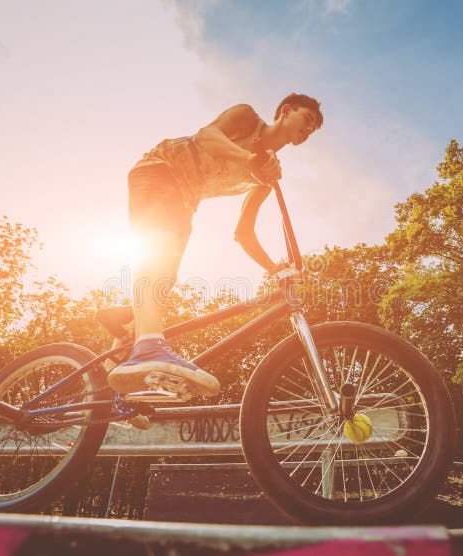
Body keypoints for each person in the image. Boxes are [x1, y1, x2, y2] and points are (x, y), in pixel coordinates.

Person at [108, 93, 323, 398]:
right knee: (158, 252)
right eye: (307, 119)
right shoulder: (248, 117)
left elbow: (243, 233)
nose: (309, 129)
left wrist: (275, 268)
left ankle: (114, 380)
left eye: (313, 129)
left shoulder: (267, 174)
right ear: (286, 111)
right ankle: (148, 349)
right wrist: (249, 159)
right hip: (160, 167)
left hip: (184, 198)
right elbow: (206, 136)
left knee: (164, 280)